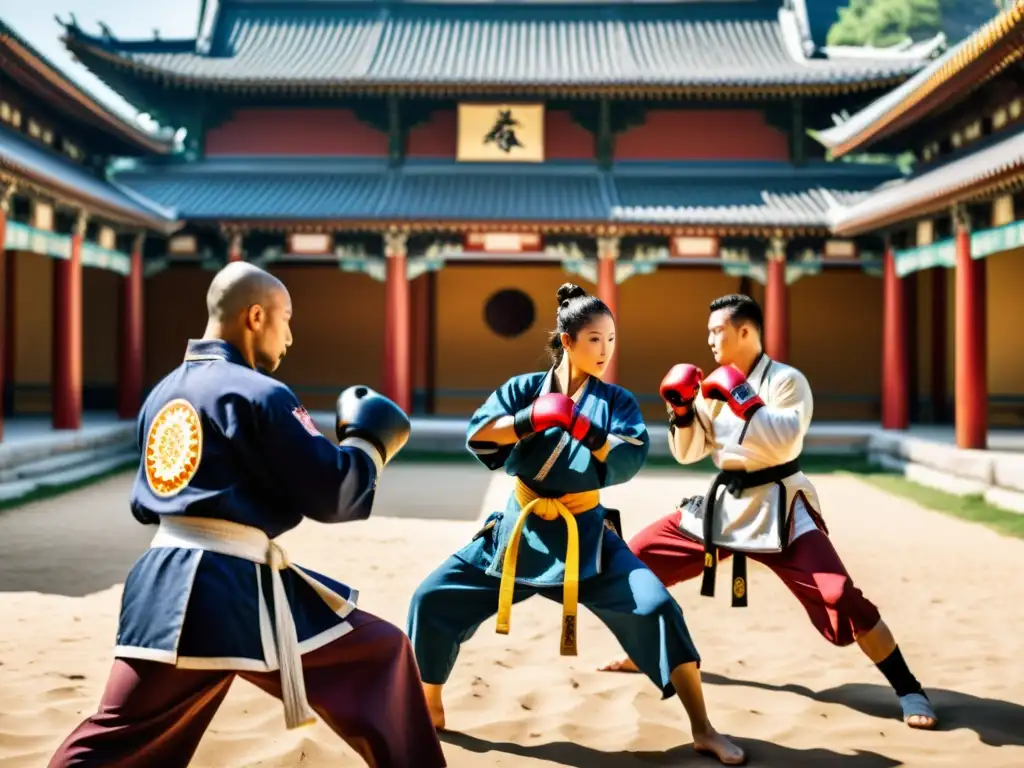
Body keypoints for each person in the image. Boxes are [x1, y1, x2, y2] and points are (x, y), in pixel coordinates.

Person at [48, 262, 447, 768]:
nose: (291, 336)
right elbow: (332, 495)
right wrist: (368, 445)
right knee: (381, 656)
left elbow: (150, 496)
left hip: (162, 579)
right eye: (286, 319)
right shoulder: (261, 394)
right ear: (256, 317)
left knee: (120, 735)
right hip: (226, 585)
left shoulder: (162, 394)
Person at [406, 283, 746, 765]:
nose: (606, 351)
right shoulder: (523, 389)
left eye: (611, 340)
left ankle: (703, 727)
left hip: (586, 533)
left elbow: (629, 457)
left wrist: (584, 429)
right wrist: (533, 418)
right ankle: (430, 706)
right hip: (518, 531)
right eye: (594, 339)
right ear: (566, 342)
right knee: (432, 598)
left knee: (656, 608)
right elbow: (479, 435)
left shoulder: (617, 400)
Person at [599, 293, 938, 731]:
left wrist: (741, 396)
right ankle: (641, 650)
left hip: (779, 504)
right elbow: (688, 453)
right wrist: (683, 412)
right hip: (724, 506)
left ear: (746, 331)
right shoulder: (709, 386)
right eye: (707, 332)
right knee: (637, 558)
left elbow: (785, 443)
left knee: (839, 596)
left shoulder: (787, 381)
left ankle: (909, 688)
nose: (709, 340)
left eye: (717, 331)